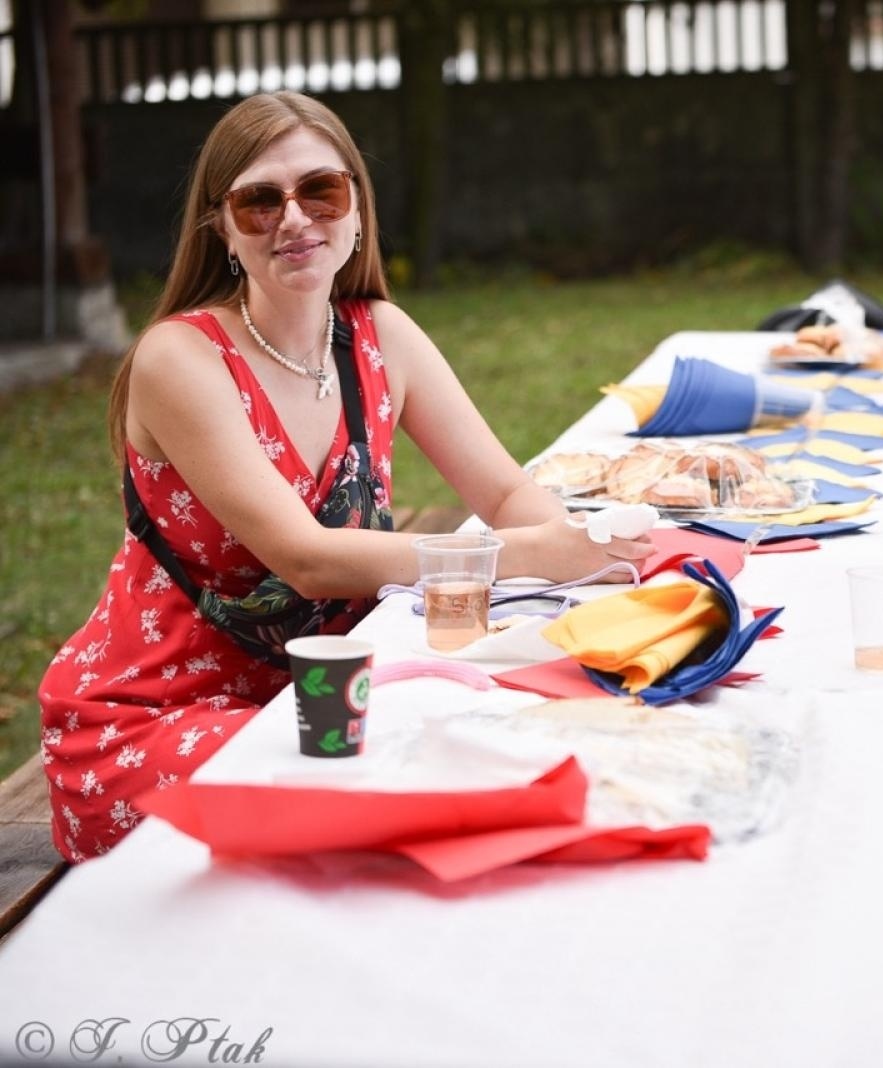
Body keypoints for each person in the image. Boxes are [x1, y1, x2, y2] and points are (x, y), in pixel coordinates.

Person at [37, 92, 653, 862]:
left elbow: (500, 495)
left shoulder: (380, 337)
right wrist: (527, 556)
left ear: (357, 210)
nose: (294, 219)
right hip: (160, 717)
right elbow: (307, 557)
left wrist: (578, 543)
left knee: (515, 738)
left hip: (326, 699)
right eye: (260, 202)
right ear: (222, 229)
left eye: (320, 191)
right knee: (404, 789)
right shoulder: (179, 358)